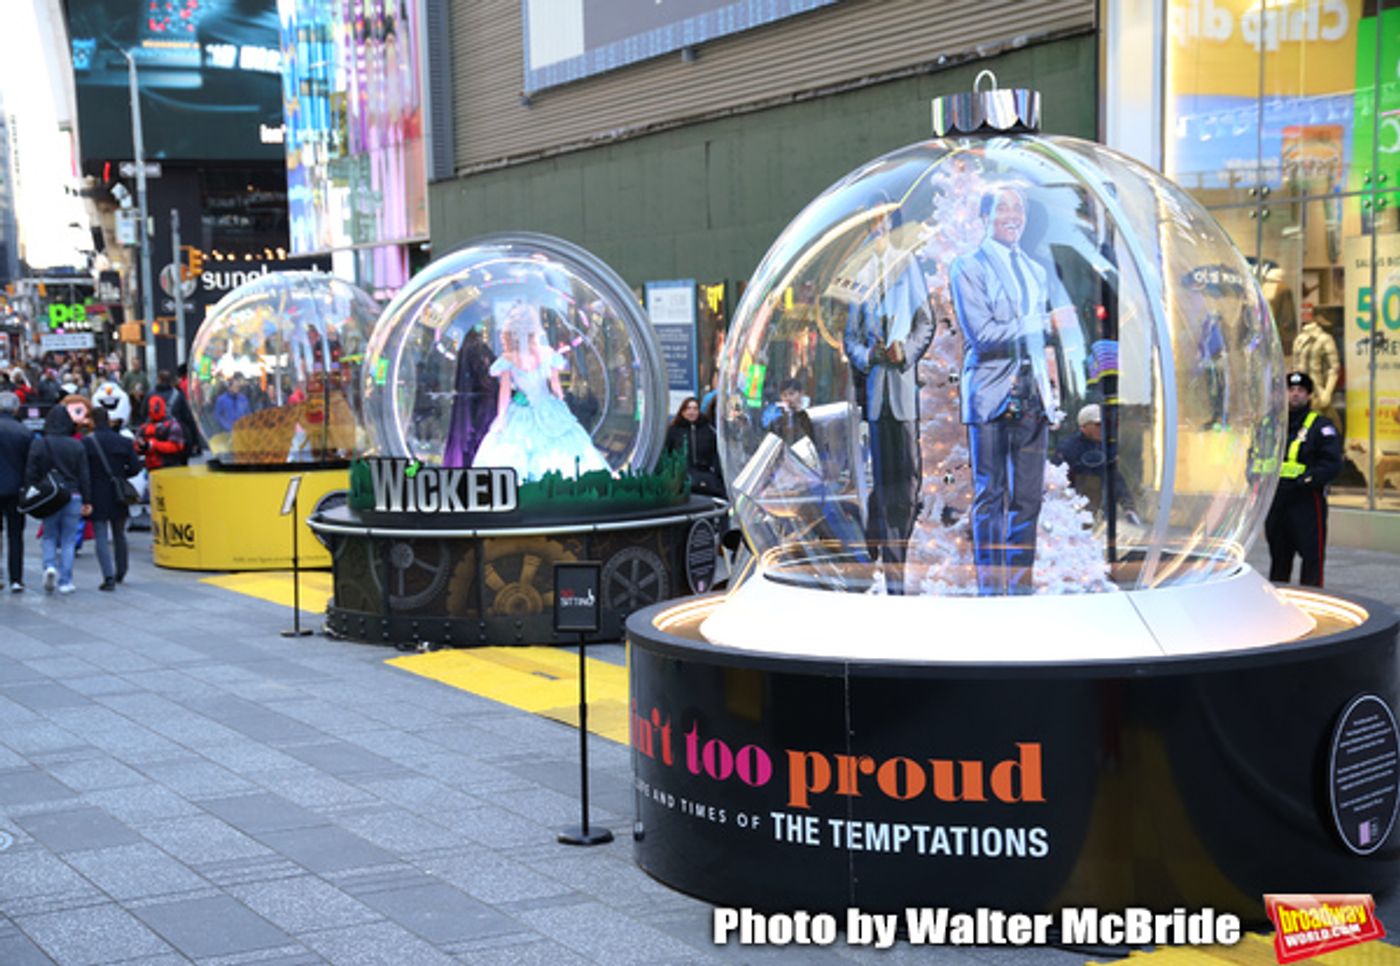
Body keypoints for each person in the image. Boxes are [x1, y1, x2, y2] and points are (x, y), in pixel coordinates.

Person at [949, 184, 1069, 596]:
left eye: (1019, 209)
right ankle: (991, 592)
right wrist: (1044, 324)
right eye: (1004, 209)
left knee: (1028, 500)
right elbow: (982, 335)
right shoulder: (968, 266)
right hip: (989, 395)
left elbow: (1041, 345)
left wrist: (1051, 383)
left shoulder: (1035, 272)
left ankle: (1020, 592)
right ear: (985, 218)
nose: (1014, 216)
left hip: (1033, 396)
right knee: (991, 495)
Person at [844, 205, 935, 593]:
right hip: (878, 391)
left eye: (882, 220)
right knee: (885, 482)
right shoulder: (859, 269)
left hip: (902, 391)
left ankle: (900, 552)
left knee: (909, 478)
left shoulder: (906, 264)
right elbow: (850, 337)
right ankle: (890, 566)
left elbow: (925, 321)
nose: (877, 227)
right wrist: (869, 357)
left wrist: (906, 352)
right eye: (871, 221)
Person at [472, 304, 609, 482]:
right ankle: (559, 485)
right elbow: (556, 386)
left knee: (514, 448)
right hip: (548, 406)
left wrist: (502, 417)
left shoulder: (508, 358)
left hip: (521, 411)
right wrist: (561, 403)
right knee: (559, 445)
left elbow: (504, 394)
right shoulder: (547, 353)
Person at [1266, 371, 1341, 587]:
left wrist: (1307, 480)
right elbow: (1255, 456)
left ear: (1309, 396)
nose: (1295, 395)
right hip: (1277, 501)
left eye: (1300, 391)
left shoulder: (1320, 426)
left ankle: (1313, 605)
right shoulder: (1271, 425)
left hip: (1306, 501)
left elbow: (1332, 463)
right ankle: (1277, 606)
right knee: (1279, 559)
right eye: (1290, 390)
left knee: (1311, 559)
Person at [24, 406, 92, 594]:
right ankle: (66, 580)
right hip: (73, 495)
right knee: (69, 540)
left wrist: (31, 490)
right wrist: (88, 500)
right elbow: (84, 475)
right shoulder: (77, 445)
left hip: (50, 496)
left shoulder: (40, 443)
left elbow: (31, 471)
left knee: (49, 535)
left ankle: (49, 566)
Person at [83, 408, 142, 590]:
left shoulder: (87, 442)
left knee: (100, 535)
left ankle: (108, 576)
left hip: (97, 492)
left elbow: (83, 471)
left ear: (93, 421)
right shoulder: (123, 441)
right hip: (118, 493)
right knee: (119, 534)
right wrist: (120, 475)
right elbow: (135, 467)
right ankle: (121, 571)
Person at [1054, 404, 1140, 524]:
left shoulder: (1105, 447)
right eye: (1098, 425)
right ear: (1084, 426)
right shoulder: (1068, 448)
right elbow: (1056, 482)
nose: (1103, 429)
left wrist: (1128, 506)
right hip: (1073, 514)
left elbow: (1115, 478)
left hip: (1100, 515)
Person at [443, 327, 499, 468]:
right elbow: (487, 375)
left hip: (469, 400)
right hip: (481, 400)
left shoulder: (465, 351)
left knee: (466, 434)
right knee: (478, 432)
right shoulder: (479, 351)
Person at [0, 391, 32, 591]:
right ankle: (16, 578)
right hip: (16, 490)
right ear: (16, 408)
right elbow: (31, 464)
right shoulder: (24, 432)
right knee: (15, 535)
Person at [664, 396, 725, 497]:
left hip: (706, 476)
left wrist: (715, 471)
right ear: (682, 411)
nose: (692, 412)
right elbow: (667, 453)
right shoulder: (673, 430)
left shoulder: (708, 430)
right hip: (682, 477)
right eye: (688, 408)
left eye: (695, 408)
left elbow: (715, 453)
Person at [138, 395, 188, 470]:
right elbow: (136, 445)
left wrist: (153, 444)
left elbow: (176, 446)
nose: (154, 410)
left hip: (169, 467)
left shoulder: (172, 425)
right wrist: (142, 446)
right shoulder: (144, 427)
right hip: (149, 467)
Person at [766, 378, 815, 447]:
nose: (788, 398)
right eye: (784, 395)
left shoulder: (811, 412)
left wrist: (800, 412)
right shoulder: (779, 415)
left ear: (801, 393)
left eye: (791, 394)